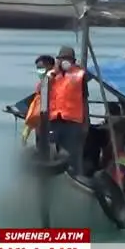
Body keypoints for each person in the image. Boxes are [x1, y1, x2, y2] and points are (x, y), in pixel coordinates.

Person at [47, 46, 89, 175]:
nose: (65, 61)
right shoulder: (51, 75)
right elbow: (41, 94)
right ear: (58, 60)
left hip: (73, 121)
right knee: (51, 151)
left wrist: (86, 123)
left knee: (72, 155)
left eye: (68, 59)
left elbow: (84, 100)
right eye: (62, 59)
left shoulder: (79, 75)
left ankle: (75, 176)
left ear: (73, 61)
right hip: (53, 120)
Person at [22, 55, 56, 145]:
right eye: (38, 68)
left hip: (52, 125)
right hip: (41, 126)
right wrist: (28, 128)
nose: (39, 71)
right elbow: (36, 106)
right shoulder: (41, 84)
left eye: (41, 68)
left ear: (50, 67)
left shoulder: (56, 82)